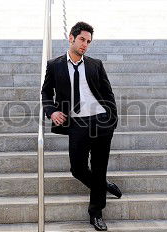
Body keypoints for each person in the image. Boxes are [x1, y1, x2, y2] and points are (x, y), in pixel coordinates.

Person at [41, 21, 122, 231]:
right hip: (77, 123)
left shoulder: (96, 64)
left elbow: (108, 93)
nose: (85, 44)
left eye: (88, 41)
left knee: (99, 167)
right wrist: (52, 111)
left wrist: (111, 119)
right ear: (71, 38)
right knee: (77, 168)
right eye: (82, 40)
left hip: (101, 122)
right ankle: (102, 185)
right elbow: (46, 92)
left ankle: (96, 214)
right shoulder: (54, 65)